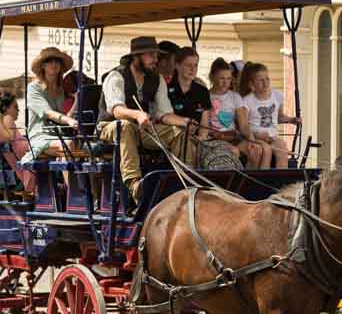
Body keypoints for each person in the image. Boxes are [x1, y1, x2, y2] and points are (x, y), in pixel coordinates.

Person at [97, 36, 199, 202]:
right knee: (125, 126)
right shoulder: (116, 76)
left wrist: (184, 122)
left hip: (142, 128)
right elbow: (116, 110)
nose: (156, 60)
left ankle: (185, 180)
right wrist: (137, 114)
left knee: (179, 132)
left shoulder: (156, 79)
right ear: (137, 56)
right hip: (110, 127)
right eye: (151, 55)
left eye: (156, 55)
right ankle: (135, 185)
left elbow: (163, 113)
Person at [239, 62, 297, 168]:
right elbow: (243, 125)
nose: (265, 83)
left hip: (273, 138)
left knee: (282, 150)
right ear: (252, 84)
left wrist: (292, 119)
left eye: (267, 79)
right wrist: (254, 136)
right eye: (261, 80)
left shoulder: (277, 96)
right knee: (266, 152)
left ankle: (280, 181)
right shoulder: (247, 101)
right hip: (256, 138)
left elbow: (279, 117)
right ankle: (264, 180)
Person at [205, 57, 261, 168]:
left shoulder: (235, 97)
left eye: (228, 78)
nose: (225, 82)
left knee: (255, 151)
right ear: (212, 77)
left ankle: (249, 181)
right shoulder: (206, 95)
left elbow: (244, 125)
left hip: (231, 137)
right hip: (213, 138)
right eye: (221, 78)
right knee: (234, 151)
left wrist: (252, 141)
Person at [26, 47, 79, 158]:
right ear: (43, 65)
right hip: (40, 134)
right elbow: (48, 113)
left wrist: (77, 101)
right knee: (68, 144)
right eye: (49, 61)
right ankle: (71, 176)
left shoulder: (61, 89)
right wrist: (69, 120)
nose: (54, 64)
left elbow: (64, 117)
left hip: (59, 133)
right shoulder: (34, 88)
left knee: (87, 145)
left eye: (57, 61)